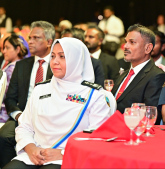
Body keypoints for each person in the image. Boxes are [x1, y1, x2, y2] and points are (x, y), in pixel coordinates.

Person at [3, 37, 111, 169]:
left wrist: (62, 153)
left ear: (76, 60)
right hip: (33, 156)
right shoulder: (41, 89)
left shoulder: (94, 95)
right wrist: (30, 148)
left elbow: (98, 138)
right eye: (53, 56)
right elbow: (24, 126)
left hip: (68, 157)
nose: (55, 61)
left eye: (62, 56)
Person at [0, 21, 54, 168]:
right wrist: (18, 116)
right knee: (4, 135)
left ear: (49, 41)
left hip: (50, 117)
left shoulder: (57, 65)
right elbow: (10, 97)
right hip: (23, 115)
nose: (30, 42)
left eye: (36, 38)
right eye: (30, 38)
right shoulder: (22, 65)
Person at [111, 24, 165, 125]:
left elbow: (150, 117)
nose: (126, 46)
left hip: (134, 135)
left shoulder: (156, 76)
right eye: (126, 42)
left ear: (148, 48)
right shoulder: (124, 74)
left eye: (132, 42)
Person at [0, 35, 28, 123]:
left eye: (7, 48)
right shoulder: (24, 65)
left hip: (4, 114)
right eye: (4, 48)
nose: (4, 51)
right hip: (14, 112)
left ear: (18, 49)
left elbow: (4, 96)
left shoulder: (12, 69)